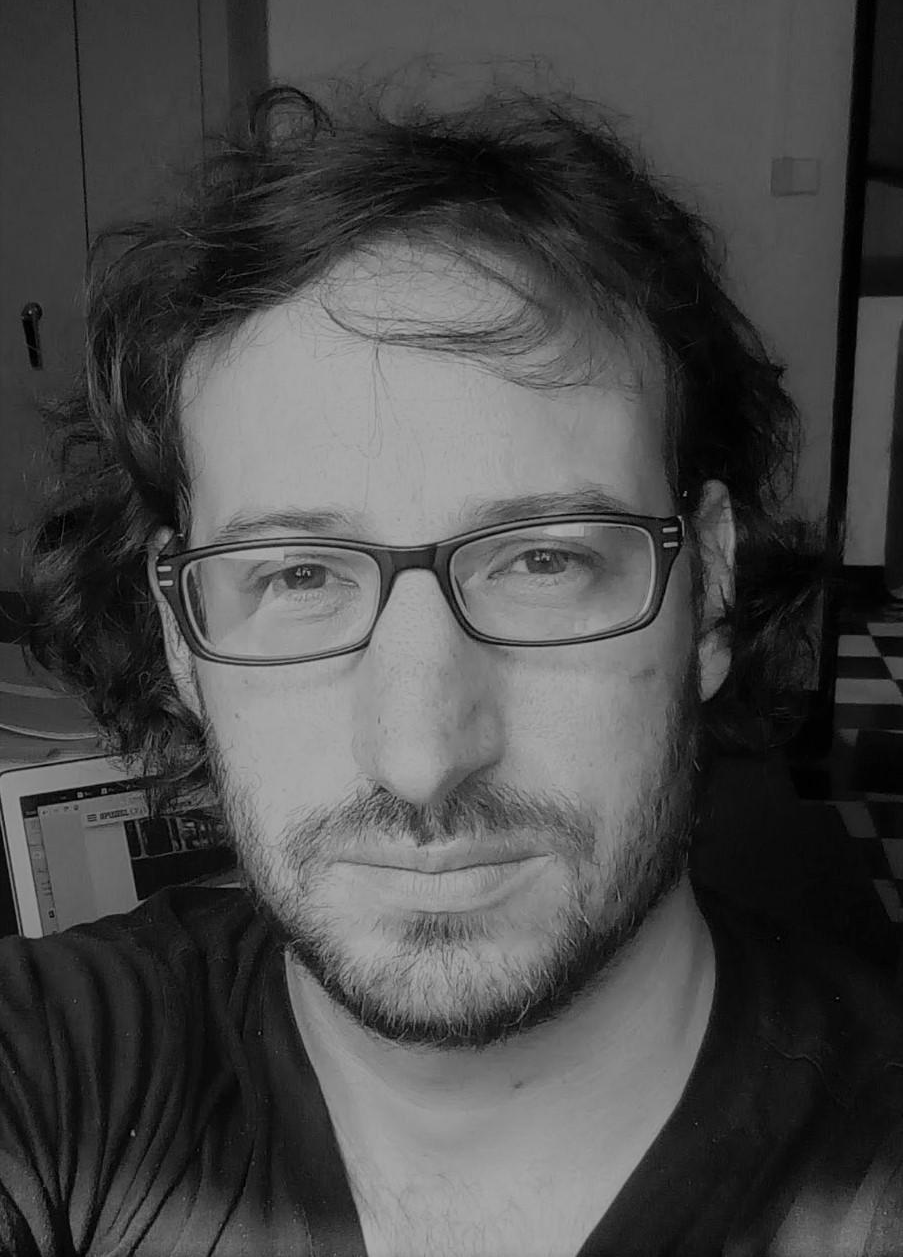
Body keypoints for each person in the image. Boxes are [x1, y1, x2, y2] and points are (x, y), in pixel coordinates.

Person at [3, 81, 902, 1257]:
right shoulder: (51, 1068)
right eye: (299, 575)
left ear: (712, 589)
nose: (423, 757)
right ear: (181, 632)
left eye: (543, 561)